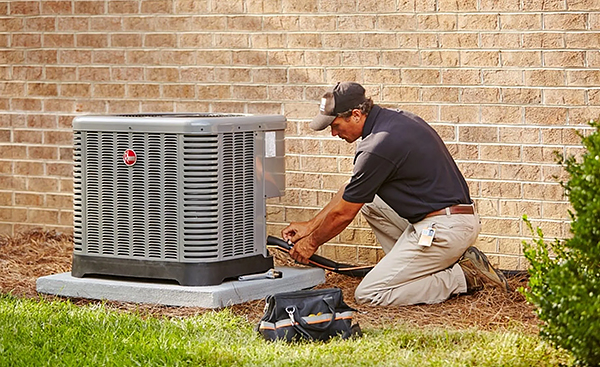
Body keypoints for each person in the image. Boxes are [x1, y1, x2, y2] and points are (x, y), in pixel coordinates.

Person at [282, 82, 510, 306]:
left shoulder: (377, 146)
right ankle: (415, 270)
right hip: (444, 220)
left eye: (336, 125)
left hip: (444, 229)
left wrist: (311, 243)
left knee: (370, 294)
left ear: (356, 114)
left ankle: (464, 276)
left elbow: (343, 214)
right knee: (368, 202)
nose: (333, 133)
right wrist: (309, 226)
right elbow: (350, 191)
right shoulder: (395, 121)